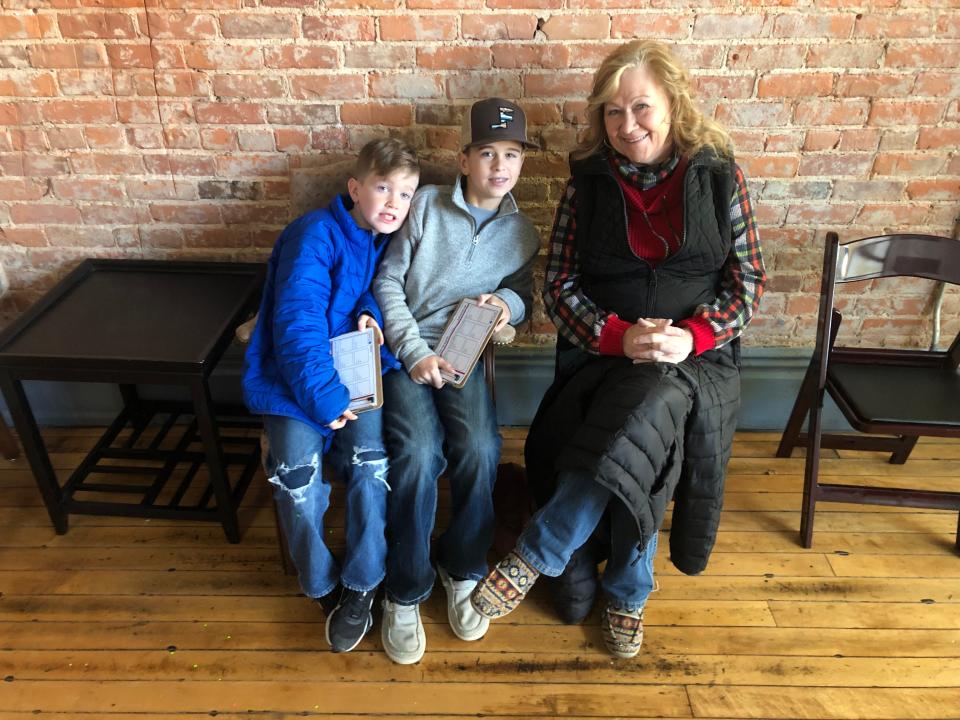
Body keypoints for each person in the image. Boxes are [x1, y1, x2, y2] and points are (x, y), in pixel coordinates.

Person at [471, 39, 767, 659]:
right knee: (574, 598)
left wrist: (689, 336)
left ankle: (544, 551)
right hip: (602, 357)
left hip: (698, 362)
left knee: (658, 391)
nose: (626, 125)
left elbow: (748, 282)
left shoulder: (719, 176)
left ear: (673, 104)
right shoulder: (589, 186)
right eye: (612, 111)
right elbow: (558, 285)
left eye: (641, 107)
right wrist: (619, 335)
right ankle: (628, 588)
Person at [372, 97, 540, 665]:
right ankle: (407, 585)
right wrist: (413, 351)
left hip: (463, 349)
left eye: (511, 155)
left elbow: (526, 295)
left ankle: (462, 562)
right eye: (487, 153)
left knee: (481, 447)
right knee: (418, 453)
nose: (500, 166)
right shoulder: (423, 206)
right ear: (464, 158)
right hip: (406, 352)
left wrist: (505, 306)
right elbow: (387, 283)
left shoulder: (522, 232)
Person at [242, 138, 420, 654]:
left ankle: (364, 582)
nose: (393, 203)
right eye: (383, 188)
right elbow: (297, 323)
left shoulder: (381, 238)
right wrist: (324, 397)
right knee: (296, 476)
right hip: (296, 381)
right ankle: (322, 584)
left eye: (405, 195)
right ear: (355, 188)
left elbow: (374, 285)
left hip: (355, 371)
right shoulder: (314, 234)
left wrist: (371, 311)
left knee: (371, 464)